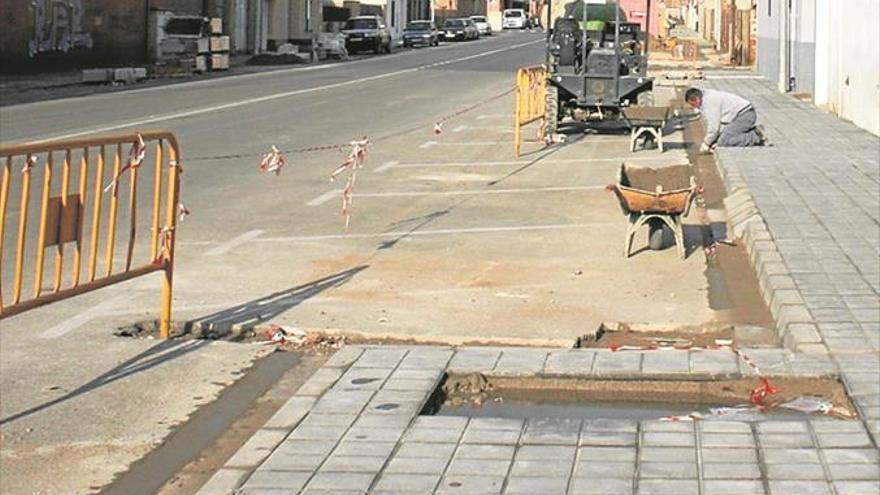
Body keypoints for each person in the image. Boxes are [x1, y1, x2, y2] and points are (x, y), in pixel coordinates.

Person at [684, 87, 767, 152]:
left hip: (744, 115)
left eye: (692, 104)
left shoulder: (709, 102)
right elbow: (719, 125)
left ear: (697, 99)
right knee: (722, 137)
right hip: (738, 115)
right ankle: (753, 131)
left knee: (724, 141)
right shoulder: (705, 96)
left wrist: (706, 143)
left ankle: (756, 137)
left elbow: (714, 128)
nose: (693, 107)